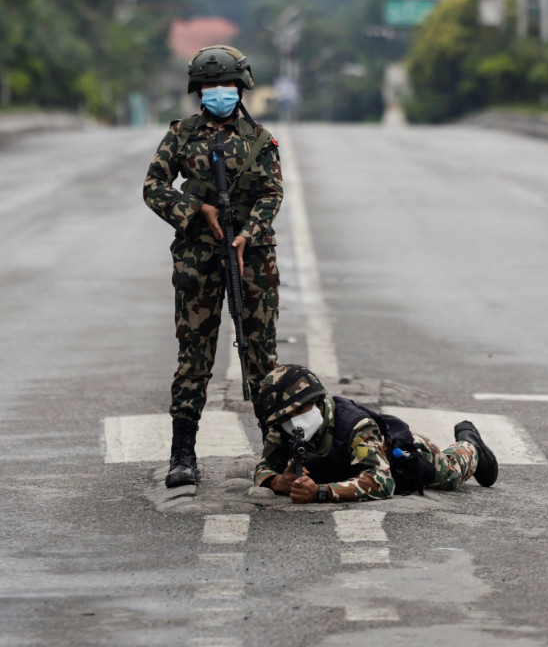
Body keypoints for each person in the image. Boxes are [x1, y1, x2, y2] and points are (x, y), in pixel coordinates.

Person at [144, 45, 283, 488]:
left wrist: (247, 235)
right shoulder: (181, 135)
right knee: (194, 358)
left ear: (240, 88)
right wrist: (196, 209)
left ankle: (274, 453)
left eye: (225, 85)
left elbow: (272, 193)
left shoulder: (260, 138)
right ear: (196, 91)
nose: (217, 93)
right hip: (198, 258)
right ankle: (182, 454)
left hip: (252, 259)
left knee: (261, 357)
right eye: (208, 87)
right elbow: (154, 186)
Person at [252, 364, 499, 503]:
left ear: (315, 401)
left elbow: (382, 481)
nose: (291, 422)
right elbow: (264, 467)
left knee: (450, 474)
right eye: (284, 418)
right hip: (345, 472)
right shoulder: (282, 428)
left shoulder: (356, 427)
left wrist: (320, 492)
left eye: (297, 412)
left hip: (406, 456)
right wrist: (278, 482)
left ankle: (470, 442)